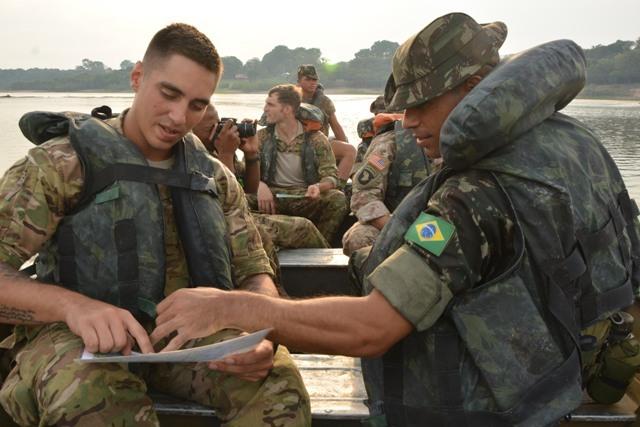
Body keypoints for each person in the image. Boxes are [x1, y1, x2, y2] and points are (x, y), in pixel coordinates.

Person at [148, 13, 640, 427]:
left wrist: (233, 308)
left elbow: (371, 329)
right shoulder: (573, 142)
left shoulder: (474, 195)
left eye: (422, 103)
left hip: (484, 408)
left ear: (473, 89)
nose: (408, 121)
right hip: (565, 369)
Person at [0, 23, 310, 426]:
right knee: (91, 396)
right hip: (73, 338)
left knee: (276, 381)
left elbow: (253, 272)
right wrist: (73, 307)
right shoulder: (59, 165)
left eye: (198, 105)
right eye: (169, 94)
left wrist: (261, 331)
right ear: (137, 77)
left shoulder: (213, 177)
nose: (179, 117)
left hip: (184, 339)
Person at [193, 104, 329, 249]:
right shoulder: (194, 155)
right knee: (303, 227)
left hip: (236, 214)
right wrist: (226, 154)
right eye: (210, 128)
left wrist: (251, 153)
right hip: (218, 220)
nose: (219, 132)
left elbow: (250, 189)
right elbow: (229, 200)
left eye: (218, 124)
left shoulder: (216, 149)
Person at [251, 84, 347, 244]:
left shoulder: (316, 138)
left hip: (304, 197)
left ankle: (320, 246)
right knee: (241, 200)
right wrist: (260, 185)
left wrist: (318, 187)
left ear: (287, 109)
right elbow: (244, 173)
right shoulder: (261, 137)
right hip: (271, 197)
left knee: (338, 199)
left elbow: (331, 177)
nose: (265, 109)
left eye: (270, 104)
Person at [342, 107, 432, 256]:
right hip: (391, 219)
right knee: (358, 239)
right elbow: (364, 194)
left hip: (438, 221)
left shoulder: (462, 140)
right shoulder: (389, 143)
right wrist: (401, 229)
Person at [297, 64, 356, 187]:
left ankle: (337, 186)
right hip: (296, 143)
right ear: (299, 81)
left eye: (314, 80)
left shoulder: (324, 101)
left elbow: (335, 125)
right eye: (307, 79)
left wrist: (343, 143)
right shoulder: (292, 99)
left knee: (350, 150)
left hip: (320, 143)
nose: (312, 83)